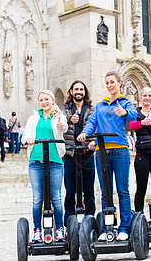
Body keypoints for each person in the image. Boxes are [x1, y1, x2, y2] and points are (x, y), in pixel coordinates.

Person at [77, 71, 138, 242]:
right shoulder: (100, 105)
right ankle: (107, 226)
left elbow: (134, 115)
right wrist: (84, 133)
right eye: (107, 82)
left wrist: (124, 112)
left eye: (112, 82)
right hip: (101, 151)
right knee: (105, 192)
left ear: (119, 83)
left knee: (122, 190)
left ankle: (125, 227)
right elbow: (92, 123)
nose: (110, 85)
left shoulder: (125, 103)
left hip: (120, 150)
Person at [22, 90, 68, 242]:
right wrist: (28, 139)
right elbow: (25, 134)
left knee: (56, 197)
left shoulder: (59, 117)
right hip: (36, 161)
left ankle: (60, 229)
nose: (44, 102)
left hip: (55, 161)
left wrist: (62, 126)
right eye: (41, 100)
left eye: (46, 99)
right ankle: (37, 230)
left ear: (53, 100)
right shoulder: (33, 118)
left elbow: (64, 128)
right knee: (37, 199)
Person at [62, 80, 96, 226]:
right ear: (71, 91)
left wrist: (94, 142)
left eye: (81, 89)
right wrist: (70, 119)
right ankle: (69, 222)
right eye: (76, 89)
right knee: (70, 190)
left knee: (89, 189)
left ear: (85, 92)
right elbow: (60, 123)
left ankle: (90, 220)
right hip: (70, 153)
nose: (79, 92)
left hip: (87, 153)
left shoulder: (92, 109)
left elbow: (97, 126)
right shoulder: (64, 109)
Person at [128, 87, 151, 213]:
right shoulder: (135, 114)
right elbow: (131, 126)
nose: (147, 98)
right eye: (145, 96)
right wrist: (142, 123)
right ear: (140, 98)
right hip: (142, 154)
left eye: (149, 96)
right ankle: (139, 216)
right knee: (141, 189)